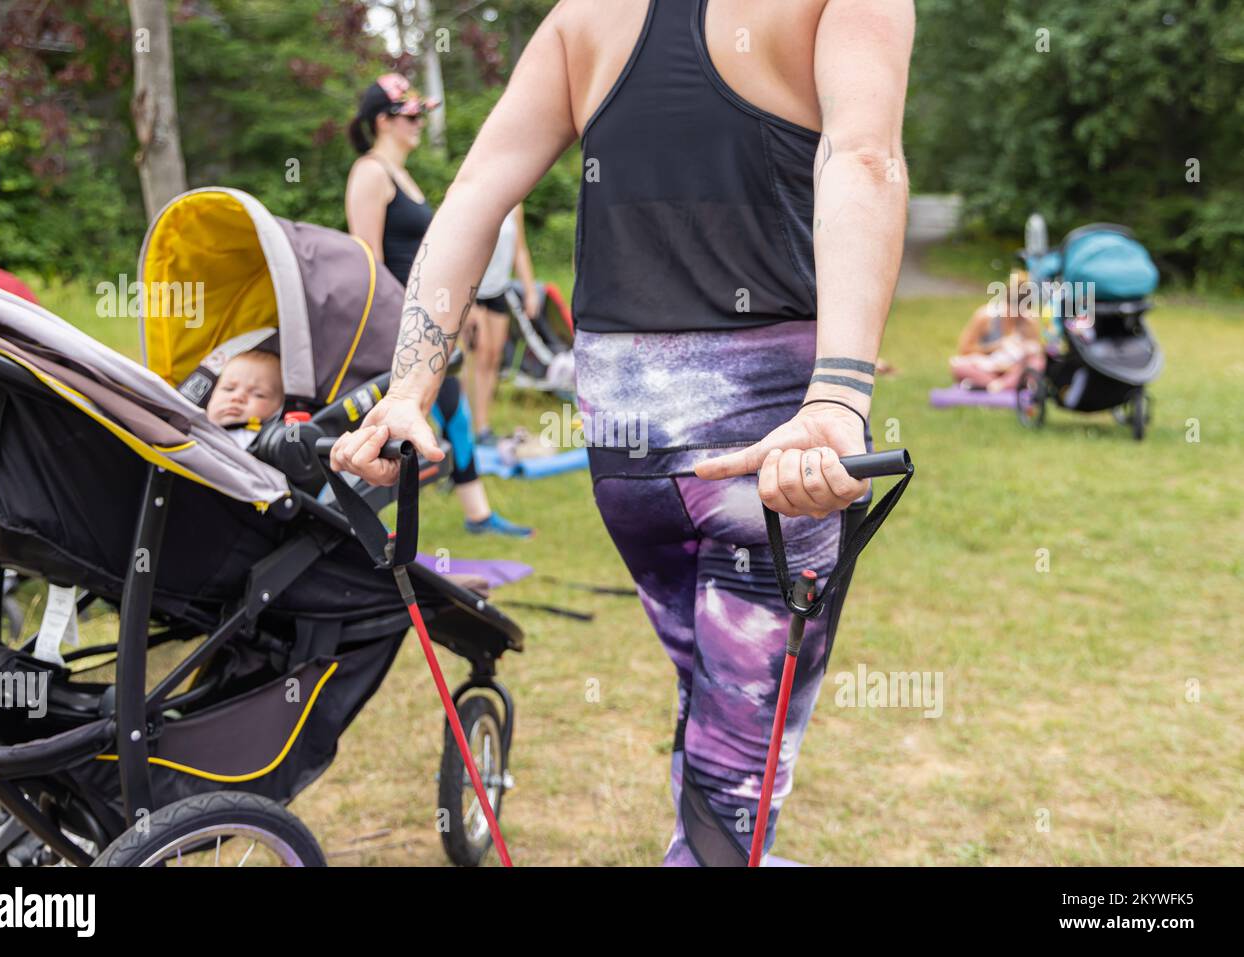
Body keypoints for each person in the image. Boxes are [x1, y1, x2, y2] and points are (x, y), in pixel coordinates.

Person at [331, 0, 914, 865]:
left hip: (626, 433)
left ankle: (715, 841)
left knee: (715, 693)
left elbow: (478, 189)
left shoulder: (582, 18)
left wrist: (411, 386)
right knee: (740, 760)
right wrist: (837, 393)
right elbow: (862, 156)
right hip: (767, 434)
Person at [345, 73, 532, 538]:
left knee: (451, 410)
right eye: (411, 116)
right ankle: (465, 514)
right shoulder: (370, 173)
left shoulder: (402, 176)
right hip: (397, 323)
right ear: (383, 121)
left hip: (424, 319)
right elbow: (367, 262)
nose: (419, 124)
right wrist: (401, 327)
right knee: (433, 411)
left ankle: (471, 513)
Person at [466, 204, 540, 444]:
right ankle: (470, 427)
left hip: (499, 289)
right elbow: (463, 251)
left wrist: (530, 291)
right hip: (473, 290)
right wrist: (466, 302)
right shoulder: (477, 198)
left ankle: (483, 426)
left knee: (494, 357)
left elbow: (520, 251)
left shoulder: (515, 205)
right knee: (479, 355)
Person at [951, 270, 1043, 391]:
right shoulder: (985, 317)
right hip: (988, 366)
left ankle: (996, 385)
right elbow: (964, 350)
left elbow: (1035, 353)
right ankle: (1001, 384)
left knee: (1037, 363)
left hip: (1014, 369)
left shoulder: (1028, 322)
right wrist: (995, 347)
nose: (1015, 316)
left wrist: (1025, 350)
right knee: (958, 366)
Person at [205, 350, 283, 449]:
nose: (237, 397)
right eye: (228, 389)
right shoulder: (191, 424)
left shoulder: (263, 442)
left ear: (280, 408)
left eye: (258, 395)